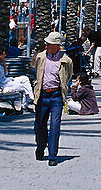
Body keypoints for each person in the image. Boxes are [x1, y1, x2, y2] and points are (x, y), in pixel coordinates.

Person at [31, 31, 74, 166]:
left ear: (57, 45)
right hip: (42, 95)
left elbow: (68, 75)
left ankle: (52, 155)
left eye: (50, 44)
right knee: (39, 125)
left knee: (55, 125)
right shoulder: (40, 57)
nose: (47, 46)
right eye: (47, 43)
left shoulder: (66, 60)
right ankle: (41, 146)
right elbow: (34, 69)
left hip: (56, 96)